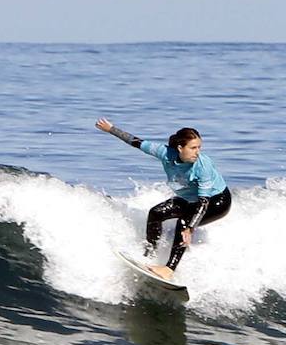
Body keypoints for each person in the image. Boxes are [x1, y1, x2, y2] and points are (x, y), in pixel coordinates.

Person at [95, 117, 232, 280]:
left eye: (199, 147)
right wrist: (111, 129)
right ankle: (150, 253)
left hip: (217, 201)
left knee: (183, 223)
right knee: (156, 213)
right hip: (189, 198)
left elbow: (203, 202)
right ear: (180, 148)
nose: (197, 152)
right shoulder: (165, 153)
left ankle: (169, 269)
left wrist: (190, 227)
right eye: (193, 148)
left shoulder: (203, 166)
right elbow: (136, 142)